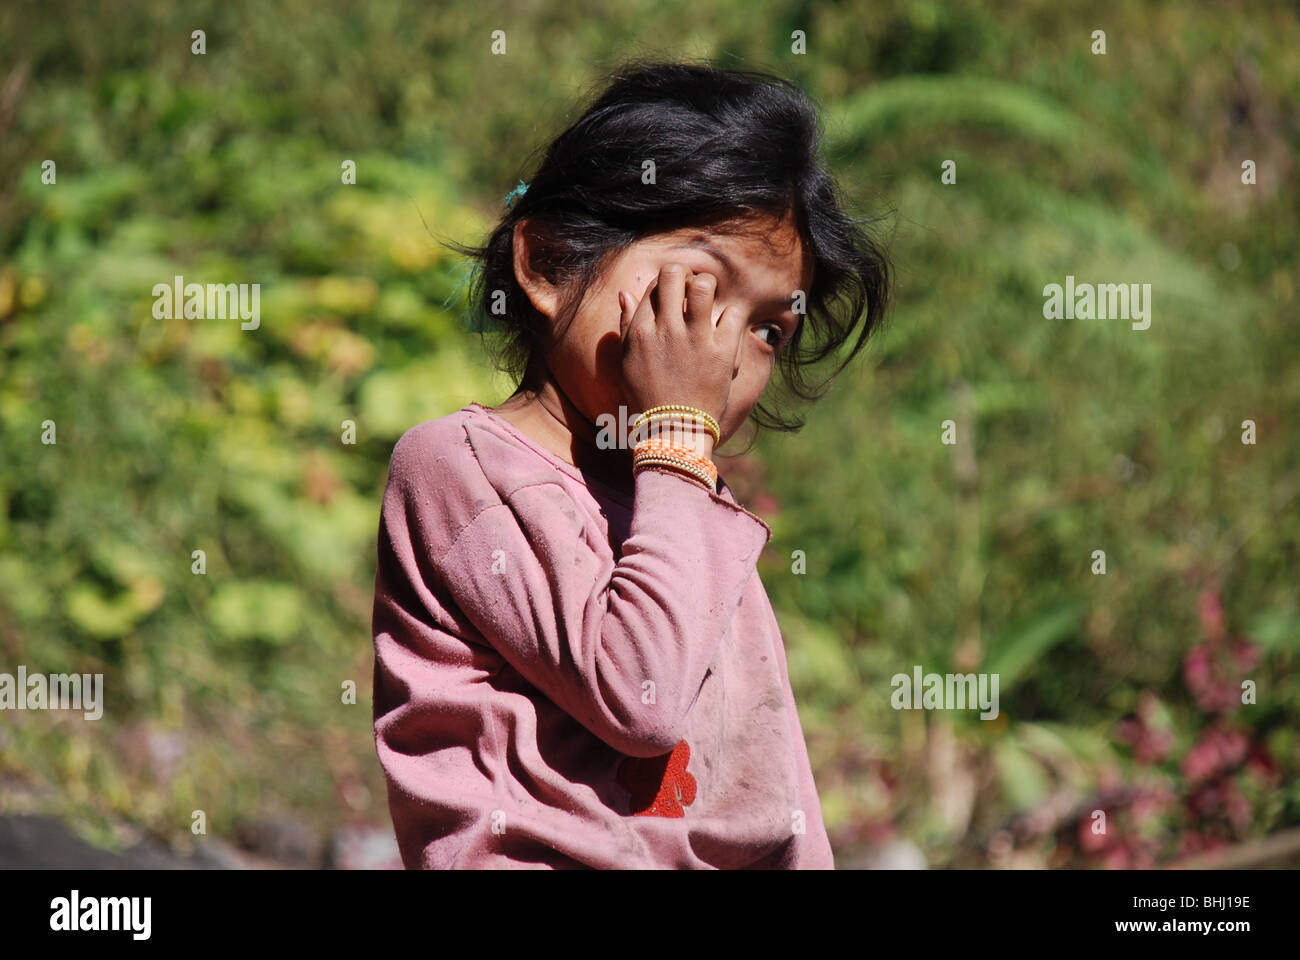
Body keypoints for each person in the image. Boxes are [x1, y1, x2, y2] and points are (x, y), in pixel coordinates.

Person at [371, 60, 891, 868]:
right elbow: (640, 701)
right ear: (546, 264)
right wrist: (678, 447)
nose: (721, 353)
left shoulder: (687, 510)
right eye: (697, 289)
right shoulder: (459, 468)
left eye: (767, 331)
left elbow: (774, 788)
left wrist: (677, 469)